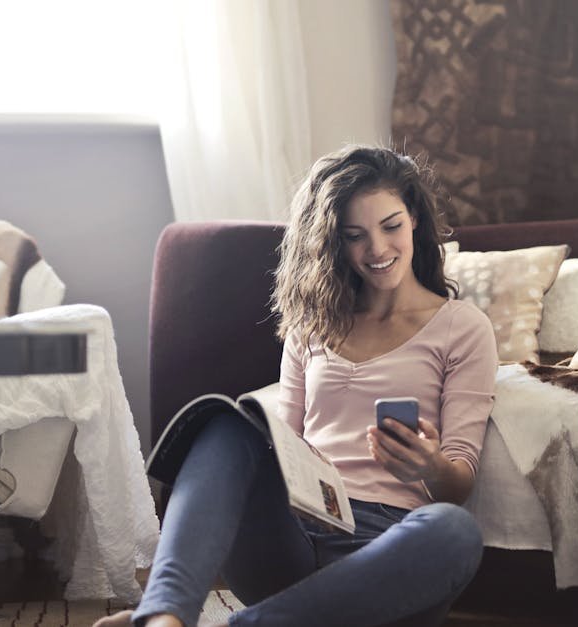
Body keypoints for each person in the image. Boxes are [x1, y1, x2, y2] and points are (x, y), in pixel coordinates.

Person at [96, 145, 498, 627]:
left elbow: (459, 482)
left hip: (388, 557)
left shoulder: (463, 327)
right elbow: (280, 448)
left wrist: (431, 466)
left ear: (413, 218)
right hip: (295, 539)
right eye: (355, 236)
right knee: (226, 423)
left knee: (454, 530)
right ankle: (164, 615)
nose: (377, 249)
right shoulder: (312, 328)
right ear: (335, 242)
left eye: (390, 226)